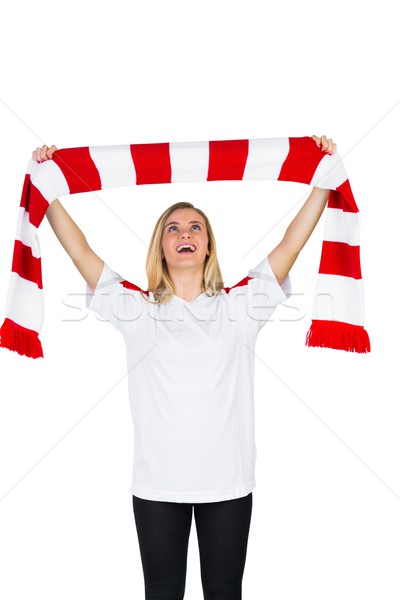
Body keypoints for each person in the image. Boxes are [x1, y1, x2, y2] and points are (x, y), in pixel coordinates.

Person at [33, 134, 336, 600]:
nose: (185, 234)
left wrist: (323, 175)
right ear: (161, 248)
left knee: (223, 593)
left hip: (228, 484)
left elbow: (291, 243)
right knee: (162, 593)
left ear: (209, 246)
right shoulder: (135, 309)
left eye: (195, 227)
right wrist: (48, 185)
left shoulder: (242, 306)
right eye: (173, 229)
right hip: (157, 486)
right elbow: (81, 252)